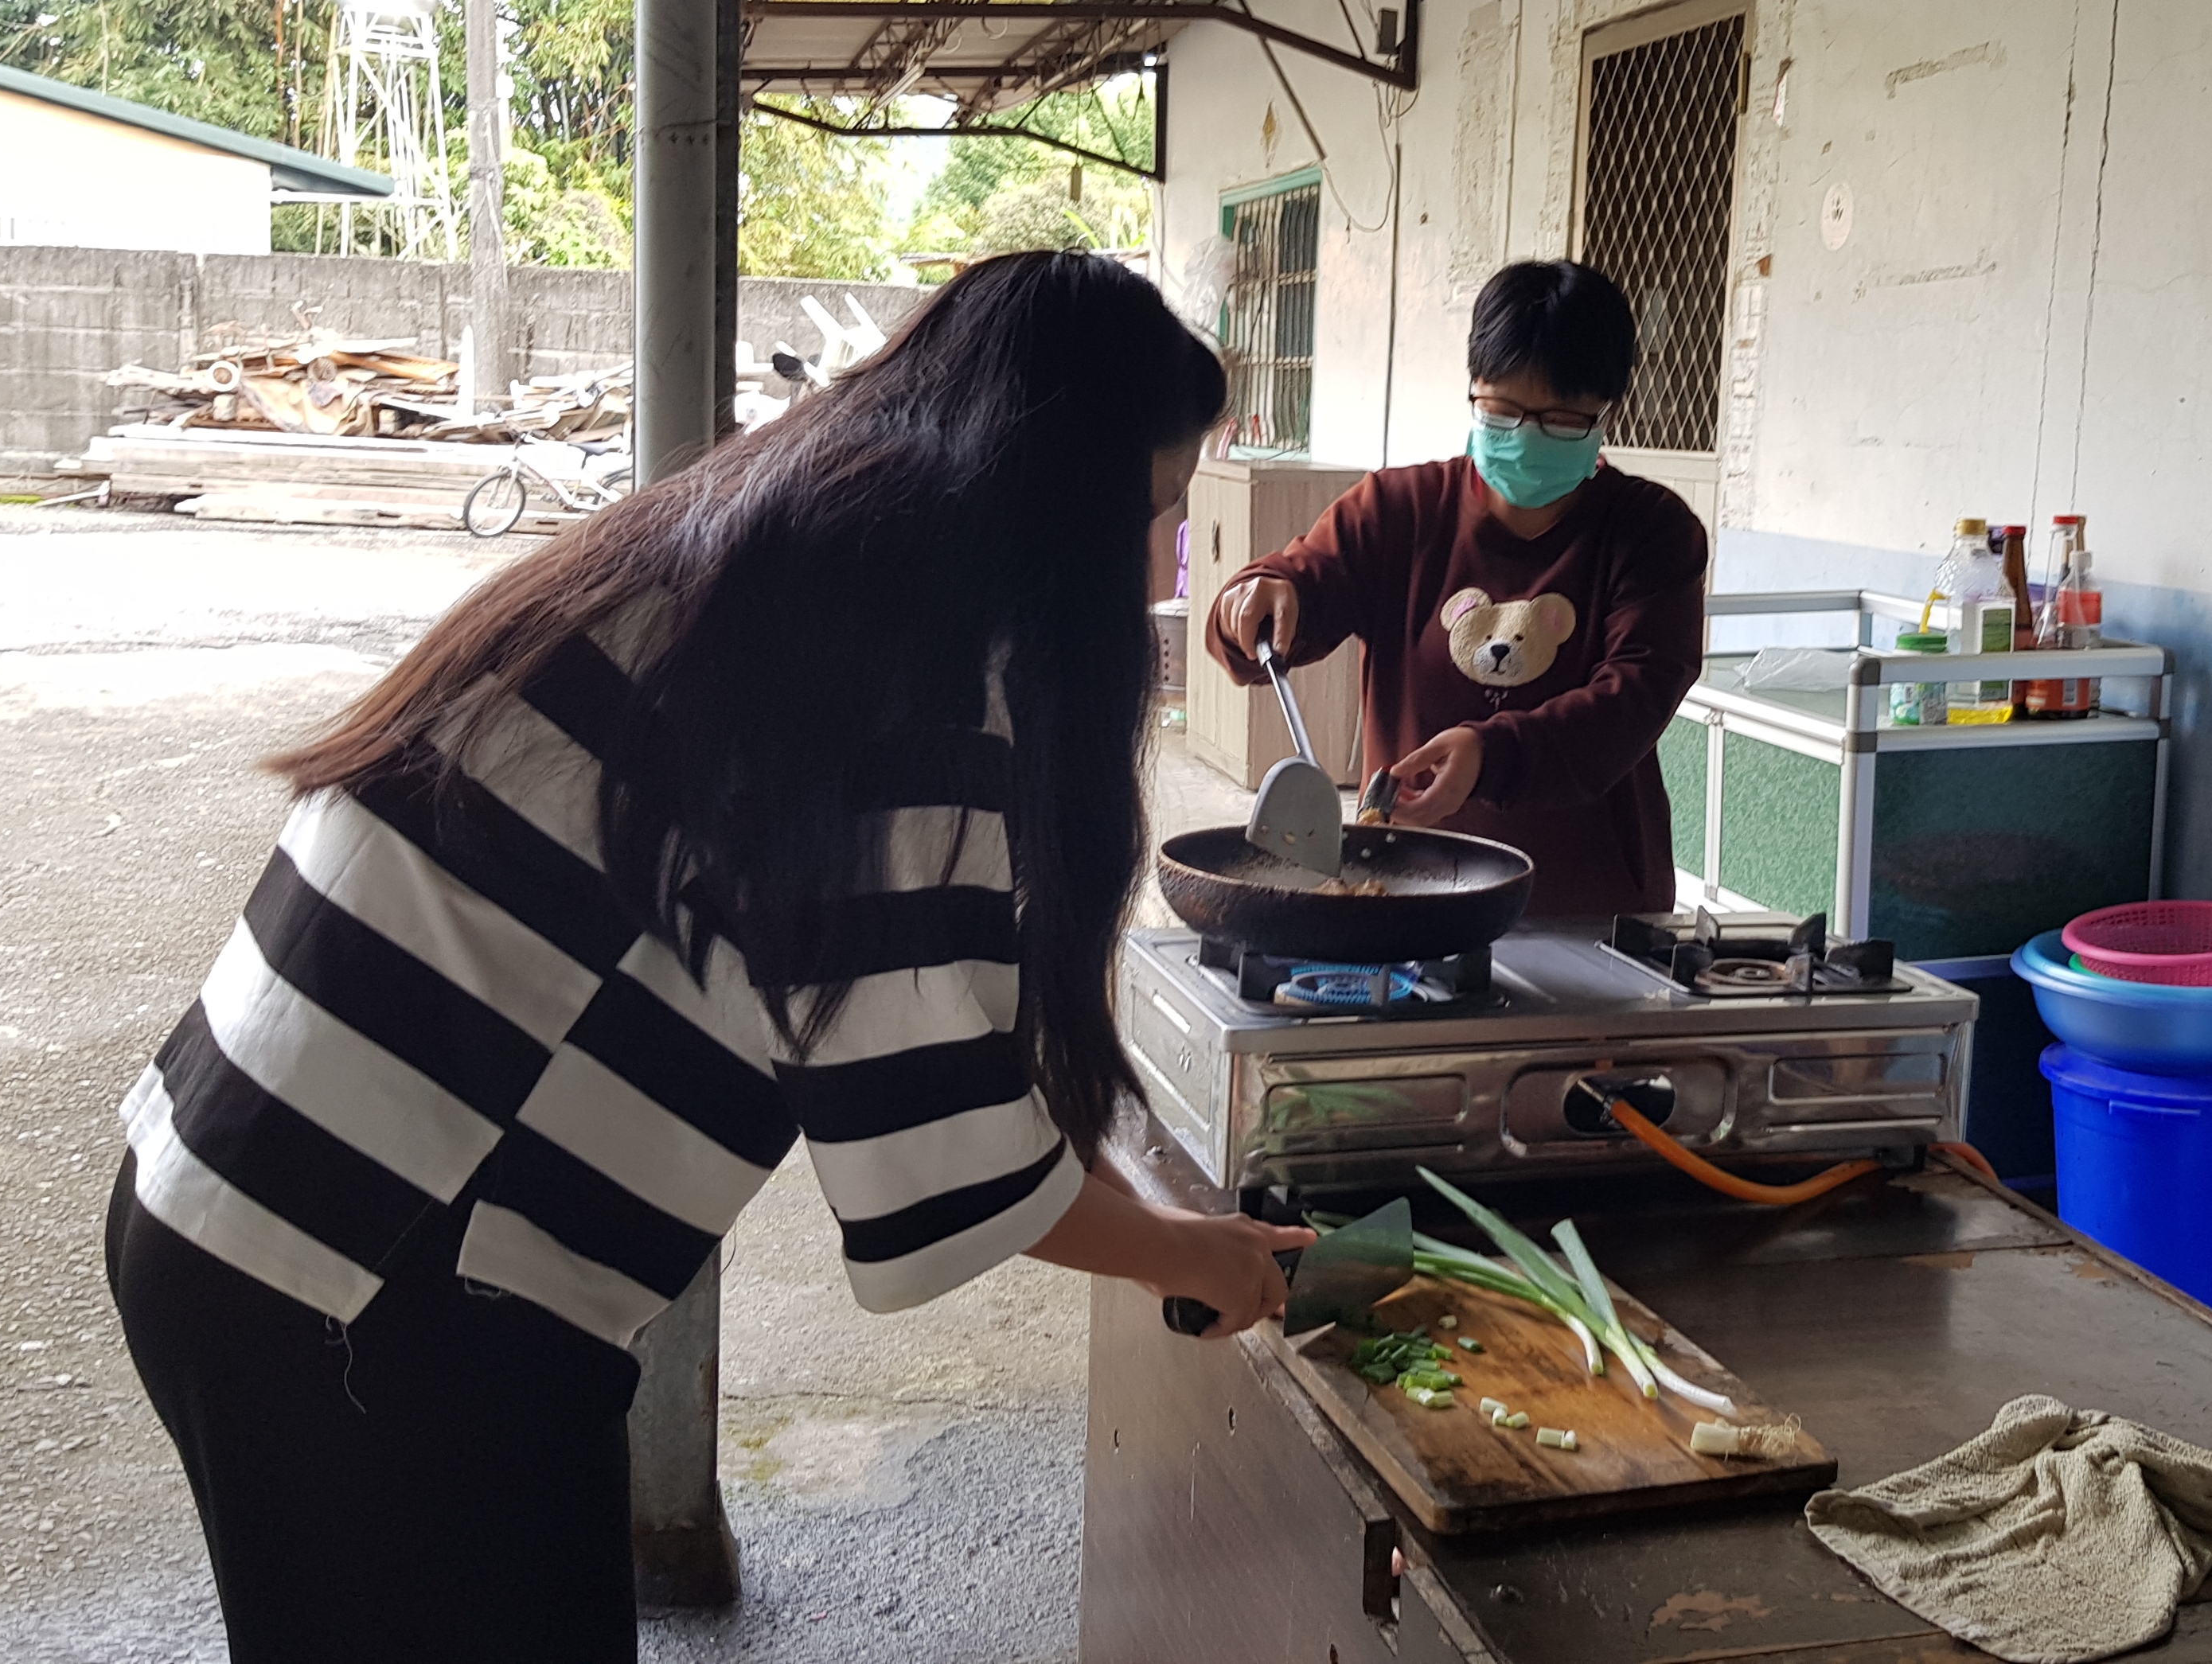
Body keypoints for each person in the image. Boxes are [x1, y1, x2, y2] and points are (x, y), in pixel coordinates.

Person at [100, 251, 1313, 1663]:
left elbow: (936, 1040)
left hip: (249, 1194)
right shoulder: (902, 674)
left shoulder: (769, 559)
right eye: (1156, 513)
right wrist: (1189, 1252)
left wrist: (1155, 1219)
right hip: (373, 1290)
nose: (1167, 564)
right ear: (1054, 499)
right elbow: (939, 1134)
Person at [1207, 259, 1707, 918]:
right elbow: (1299, 588)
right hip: (1406, 888)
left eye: (1560, 421)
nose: (1526, 439)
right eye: (1501, 413)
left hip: (1588, 905)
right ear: (1472, 390)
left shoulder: (1651, 532)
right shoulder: (1400, 509)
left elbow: (1631, 700)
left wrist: (1491, 754)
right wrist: (1258, 596)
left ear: (1607, 409)